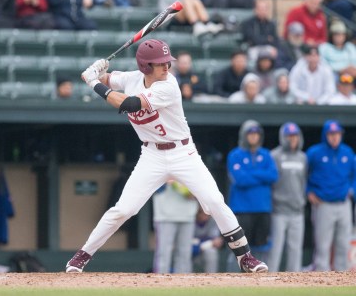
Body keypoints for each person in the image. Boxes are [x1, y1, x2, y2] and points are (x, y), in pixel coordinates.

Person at [65, 39, 269, 274]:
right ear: (145, 66)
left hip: (183, 153)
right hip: (152, 154)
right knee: (123, 209)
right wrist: (96, 72)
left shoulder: (169, 86)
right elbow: (109, 80)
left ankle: (245, 257)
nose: (167, 67)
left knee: (214, 201)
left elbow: (129, 104)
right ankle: (82, 256)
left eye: (167, 62)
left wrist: (92, 82)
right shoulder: (132, 78)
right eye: (161, 64)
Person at [227, 120, 278, 264]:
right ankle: (234, 281)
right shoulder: (235, 155)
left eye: (256, 134)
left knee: (262, 248)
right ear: (244, 135)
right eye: (250, 134)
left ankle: (260, 281)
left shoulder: (266, 154)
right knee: (239, 249)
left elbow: (273, 176)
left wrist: (251, 173)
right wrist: (262, 175)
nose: (254, 137)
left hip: (262, 208)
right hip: (242, 210)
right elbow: (240, 180)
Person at [306, 120, 354, 271]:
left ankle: (341, 280)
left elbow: (354, 176)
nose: (335, 137)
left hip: (343, 203)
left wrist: (352, 190)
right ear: (325, 135)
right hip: (323, 204)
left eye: (337, 134)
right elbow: (303, 175)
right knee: (323, 245)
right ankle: (322, 280)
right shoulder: (314, 153)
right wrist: (308, 191)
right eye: (331, 134)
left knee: (343, 243)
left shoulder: (347, 152)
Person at [268, 122, 307, 272]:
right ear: (283, 137)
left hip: (297, 211)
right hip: (279, 211)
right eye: (289, 136)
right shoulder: (274, 155)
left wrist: (301, 201)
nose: (292, 139)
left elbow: (303, 181)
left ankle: (294, 284)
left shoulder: (302, 157)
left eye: (295, 136)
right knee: (275, 250)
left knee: (296, 250)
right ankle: (270, 282)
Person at [152, 181, 199, 273]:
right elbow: (152, 186)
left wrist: (192, 192)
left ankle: (183, 283)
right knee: (163, 252)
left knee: (185, 252)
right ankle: (160, 283)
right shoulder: (160, 166)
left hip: (188, 215)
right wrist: (171, 182)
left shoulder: (193, 167)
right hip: (165, 216)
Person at [192, 208, 223, 273]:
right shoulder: (190, 221)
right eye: (202, 213)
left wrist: (199, 243)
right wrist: (204, 244)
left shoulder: (212, 221)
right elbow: (185, 243)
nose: (205, 216)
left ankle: (212, 278)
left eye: (207, 214)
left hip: (203, 253)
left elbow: (215, 241)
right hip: (190, 253)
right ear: (197, 213)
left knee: (211, 251)